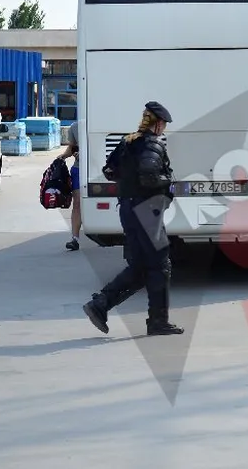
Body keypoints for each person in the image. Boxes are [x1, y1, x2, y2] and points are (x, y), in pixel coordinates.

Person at [82, 101, 183, 336]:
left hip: (128, 209)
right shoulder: (152, 144)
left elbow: (109, 170)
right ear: (158, 124)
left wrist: (129, 181)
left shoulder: (127, 142)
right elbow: (149, 175)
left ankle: (100, 304)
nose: (164, 129)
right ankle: (158, 322)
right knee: (160, 265)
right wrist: (168, 182)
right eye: (164, 125)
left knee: (140, 266)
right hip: (147, 211)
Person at [60, 121, 82, 252]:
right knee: (77, 203)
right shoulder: (75, 127)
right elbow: (72, 148)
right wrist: (62, 156)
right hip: (78, 169)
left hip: (97, 168)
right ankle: (75, 239)